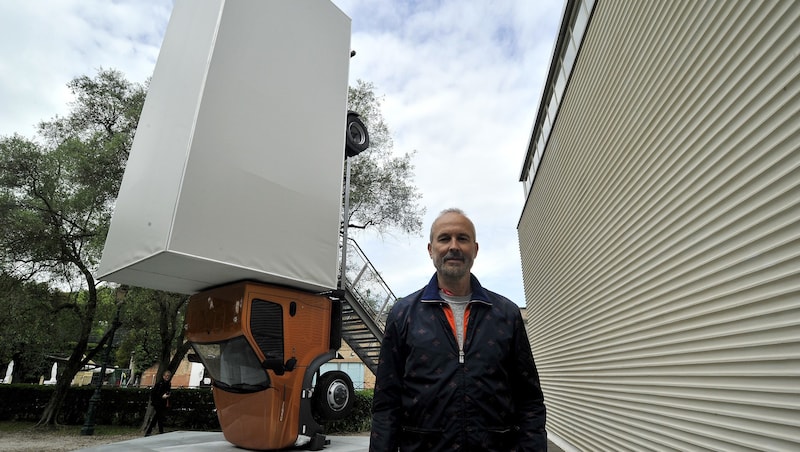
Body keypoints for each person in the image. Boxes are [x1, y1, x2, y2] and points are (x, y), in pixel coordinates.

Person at [370, 208, 547, 451]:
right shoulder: (403, 314)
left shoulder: (506, 313)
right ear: (431, 249)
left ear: (475, 249)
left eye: (462, 238)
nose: (454, 246)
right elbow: (386, 403)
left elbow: (530, 400)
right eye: (444, 238)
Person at [145, 369, 172, 436]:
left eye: (168, 376)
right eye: (166, 376)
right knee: (159, 416)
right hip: (158, 402)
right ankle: (159, 431)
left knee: (157, 416)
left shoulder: (168, 384)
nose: (167, 377)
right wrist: (162, 396)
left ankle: (151, 430)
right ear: (163, 376)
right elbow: (155, 393)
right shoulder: (160, 384)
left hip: (163, 402)